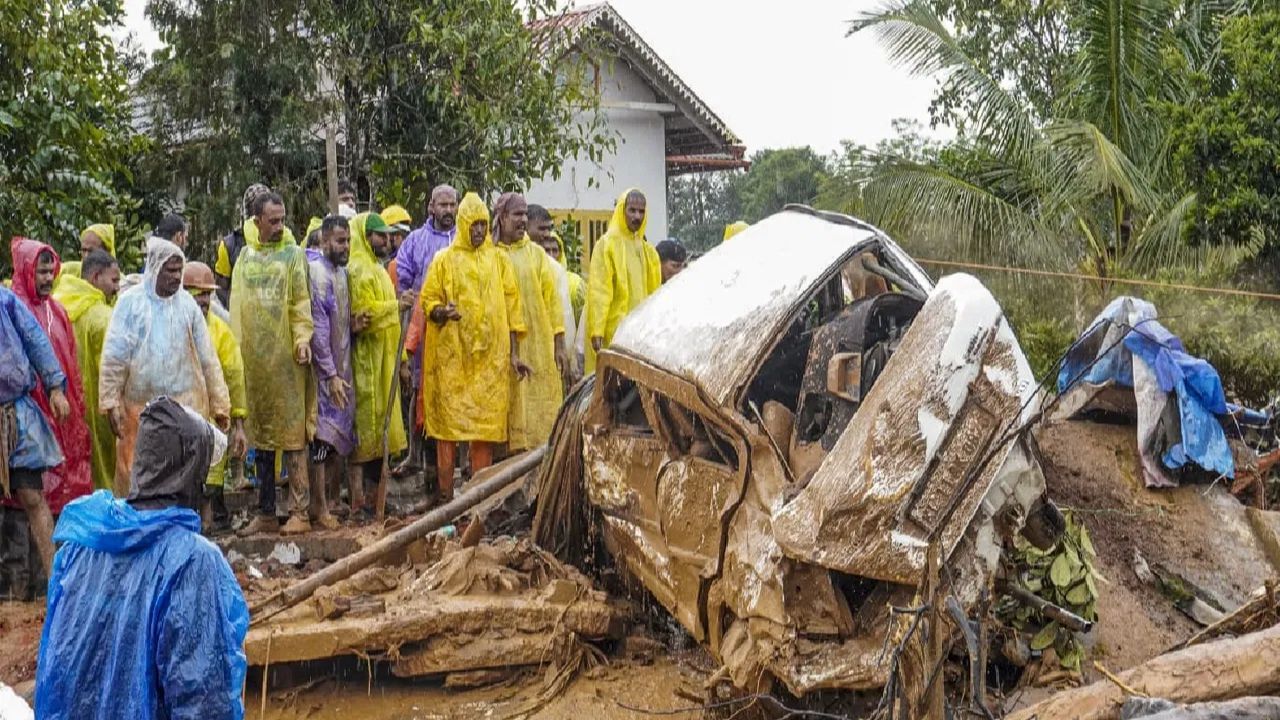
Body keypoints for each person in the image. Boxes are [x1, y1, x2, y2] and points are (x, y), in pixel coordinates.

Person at [35, 397, 248, 720]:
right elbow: (202, 696)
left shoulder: (82, 546)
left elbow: (57, 672)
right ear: (190, 471)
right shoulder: (192, 561)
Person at [419, 192, 529, 502]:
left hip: (489, 363)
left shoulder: (499, 260)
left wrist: (514, 354)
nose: (479, 231)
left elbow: (512, 308)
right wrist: (443, 312)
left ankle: (480, 500)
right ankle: (445, 496)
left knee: (484, 431)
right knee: (447, 433)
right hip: (452, 362)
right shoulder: (444, 260)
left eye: (483, 225)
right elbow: (428, 301)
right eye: (474, 225)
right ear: (465, 224)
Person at [100, 237, 230, 495]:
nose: (176, 277)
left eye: (179, 271)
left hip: (185, 408)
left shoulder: (187, 306)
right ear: (155, 267)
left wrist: (220, 404)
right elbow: (114, 357)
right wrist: (110, 402)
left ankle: (178, 531)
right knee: (137, 476)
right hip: (139, 412)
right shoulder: (130, 304)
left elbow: (208, 359)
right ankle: (141, 532)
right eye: (170, 271)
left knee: (182, 477)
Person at [231, 192, 329, 535]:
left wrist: (303, 339)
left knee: (292, 437)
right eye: (273, 220)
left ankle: (300, 510)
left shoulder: (293, 256)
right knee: (261, 439)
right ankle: (266, 511)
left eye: (282, 219)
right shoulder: (245, 257)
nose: (280, 225)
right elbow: (236, 307)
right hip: (255, 365)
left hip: (287, 361)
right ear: (256, 221)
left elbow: (300, 302)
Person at [0, 260, 76, 578]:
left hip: (13, 413)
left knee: (32, 495)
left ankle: (56, 578)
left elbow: (35, 341)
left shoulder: (5, 301)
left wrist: (56, 387)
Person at [7, 239, 93, 518]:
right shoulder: (13, 307)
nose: (47, 278)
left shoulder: (57, 312)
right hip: (30, 415)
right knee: (29, 496)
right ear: (24, 271)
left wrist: (75, 405)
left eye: (49, 271)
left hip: (61, 411)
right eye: (40, 272)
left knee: (64, 492)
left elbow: (71, 366)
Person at [493, 193, 567, 450]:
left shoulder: (536, 255)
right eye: (517, 214)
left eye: (525, 214)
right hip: (501, 345)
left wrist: (559, 343)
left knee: (538, 407)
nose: (523, 219)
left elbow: (552, 301)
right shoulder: (491, 254)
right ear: (502, 217)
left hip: (537, 344)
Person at [182, 262, 249, 532]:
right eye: (198, 293)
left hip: (212, 418)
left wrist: (238, 422)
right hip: (182, 417)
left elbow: (234, 375)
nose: (204, 300)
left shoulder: (220, 333)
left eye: (207, 294)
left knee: (210, 480)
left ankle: (208, 528)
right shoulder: (172, 326)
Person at [348, 212, 407, 506]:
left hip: (384, 358)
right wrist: (396, 306)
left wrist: (403, 359)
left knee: (380, 429)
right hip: (367, 362)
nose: (386, 240)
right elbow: (364, 313)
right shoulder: (359, 270)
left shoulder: (378, 268)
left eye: (387, 235)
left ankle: (376, 496)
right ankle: (359, 498)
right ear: (366, 236)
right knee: (364, 432)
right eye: (380, 235)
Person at [51, 250, 119, 491]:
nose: (117, 288)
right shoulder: (102, 316)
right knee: (102, 474)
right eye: (114, 280)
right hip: (98, 409)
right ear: (96, 277)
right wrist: (113, 406)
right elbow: (112, 367)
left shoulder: (56, 305)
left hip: (60, 405)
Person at [307, 216, 358, 514]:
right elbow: (319, 330)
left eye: (348, 240)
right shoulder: (319, 275)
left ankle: (331, 502)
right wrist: (330, 374)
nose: (345, 246)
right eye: (340, 241)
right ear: (325, 241)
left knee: (336, 438)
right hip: (325, 373)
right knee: (321, 440)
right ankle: (319, 506)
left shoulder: (342, 274)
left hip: (342, 366)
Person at [584, 188, 660, 372]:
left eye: (641, 211)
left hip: (641, 334)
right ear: (621, 210)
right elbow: (600, 290)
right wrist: (597, 330)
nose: (637, 216)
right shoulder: (607, 245)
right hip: (615, 332)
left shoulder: (648, 251)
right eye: (632, 210)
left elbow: (655, 293)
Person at [215, 183, 272, 307]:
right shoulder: (229, 245)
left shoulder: (279, 240)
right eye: (257, 207)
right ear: (248, 210)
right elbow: (221, 289)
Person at [528, 206, 584, 323]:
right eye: (542, 229)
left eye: (549, 229)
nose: (547, 234)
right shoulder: (509, 260)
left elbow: (563, 316)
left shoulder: (557, 271)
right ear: (525, 227)